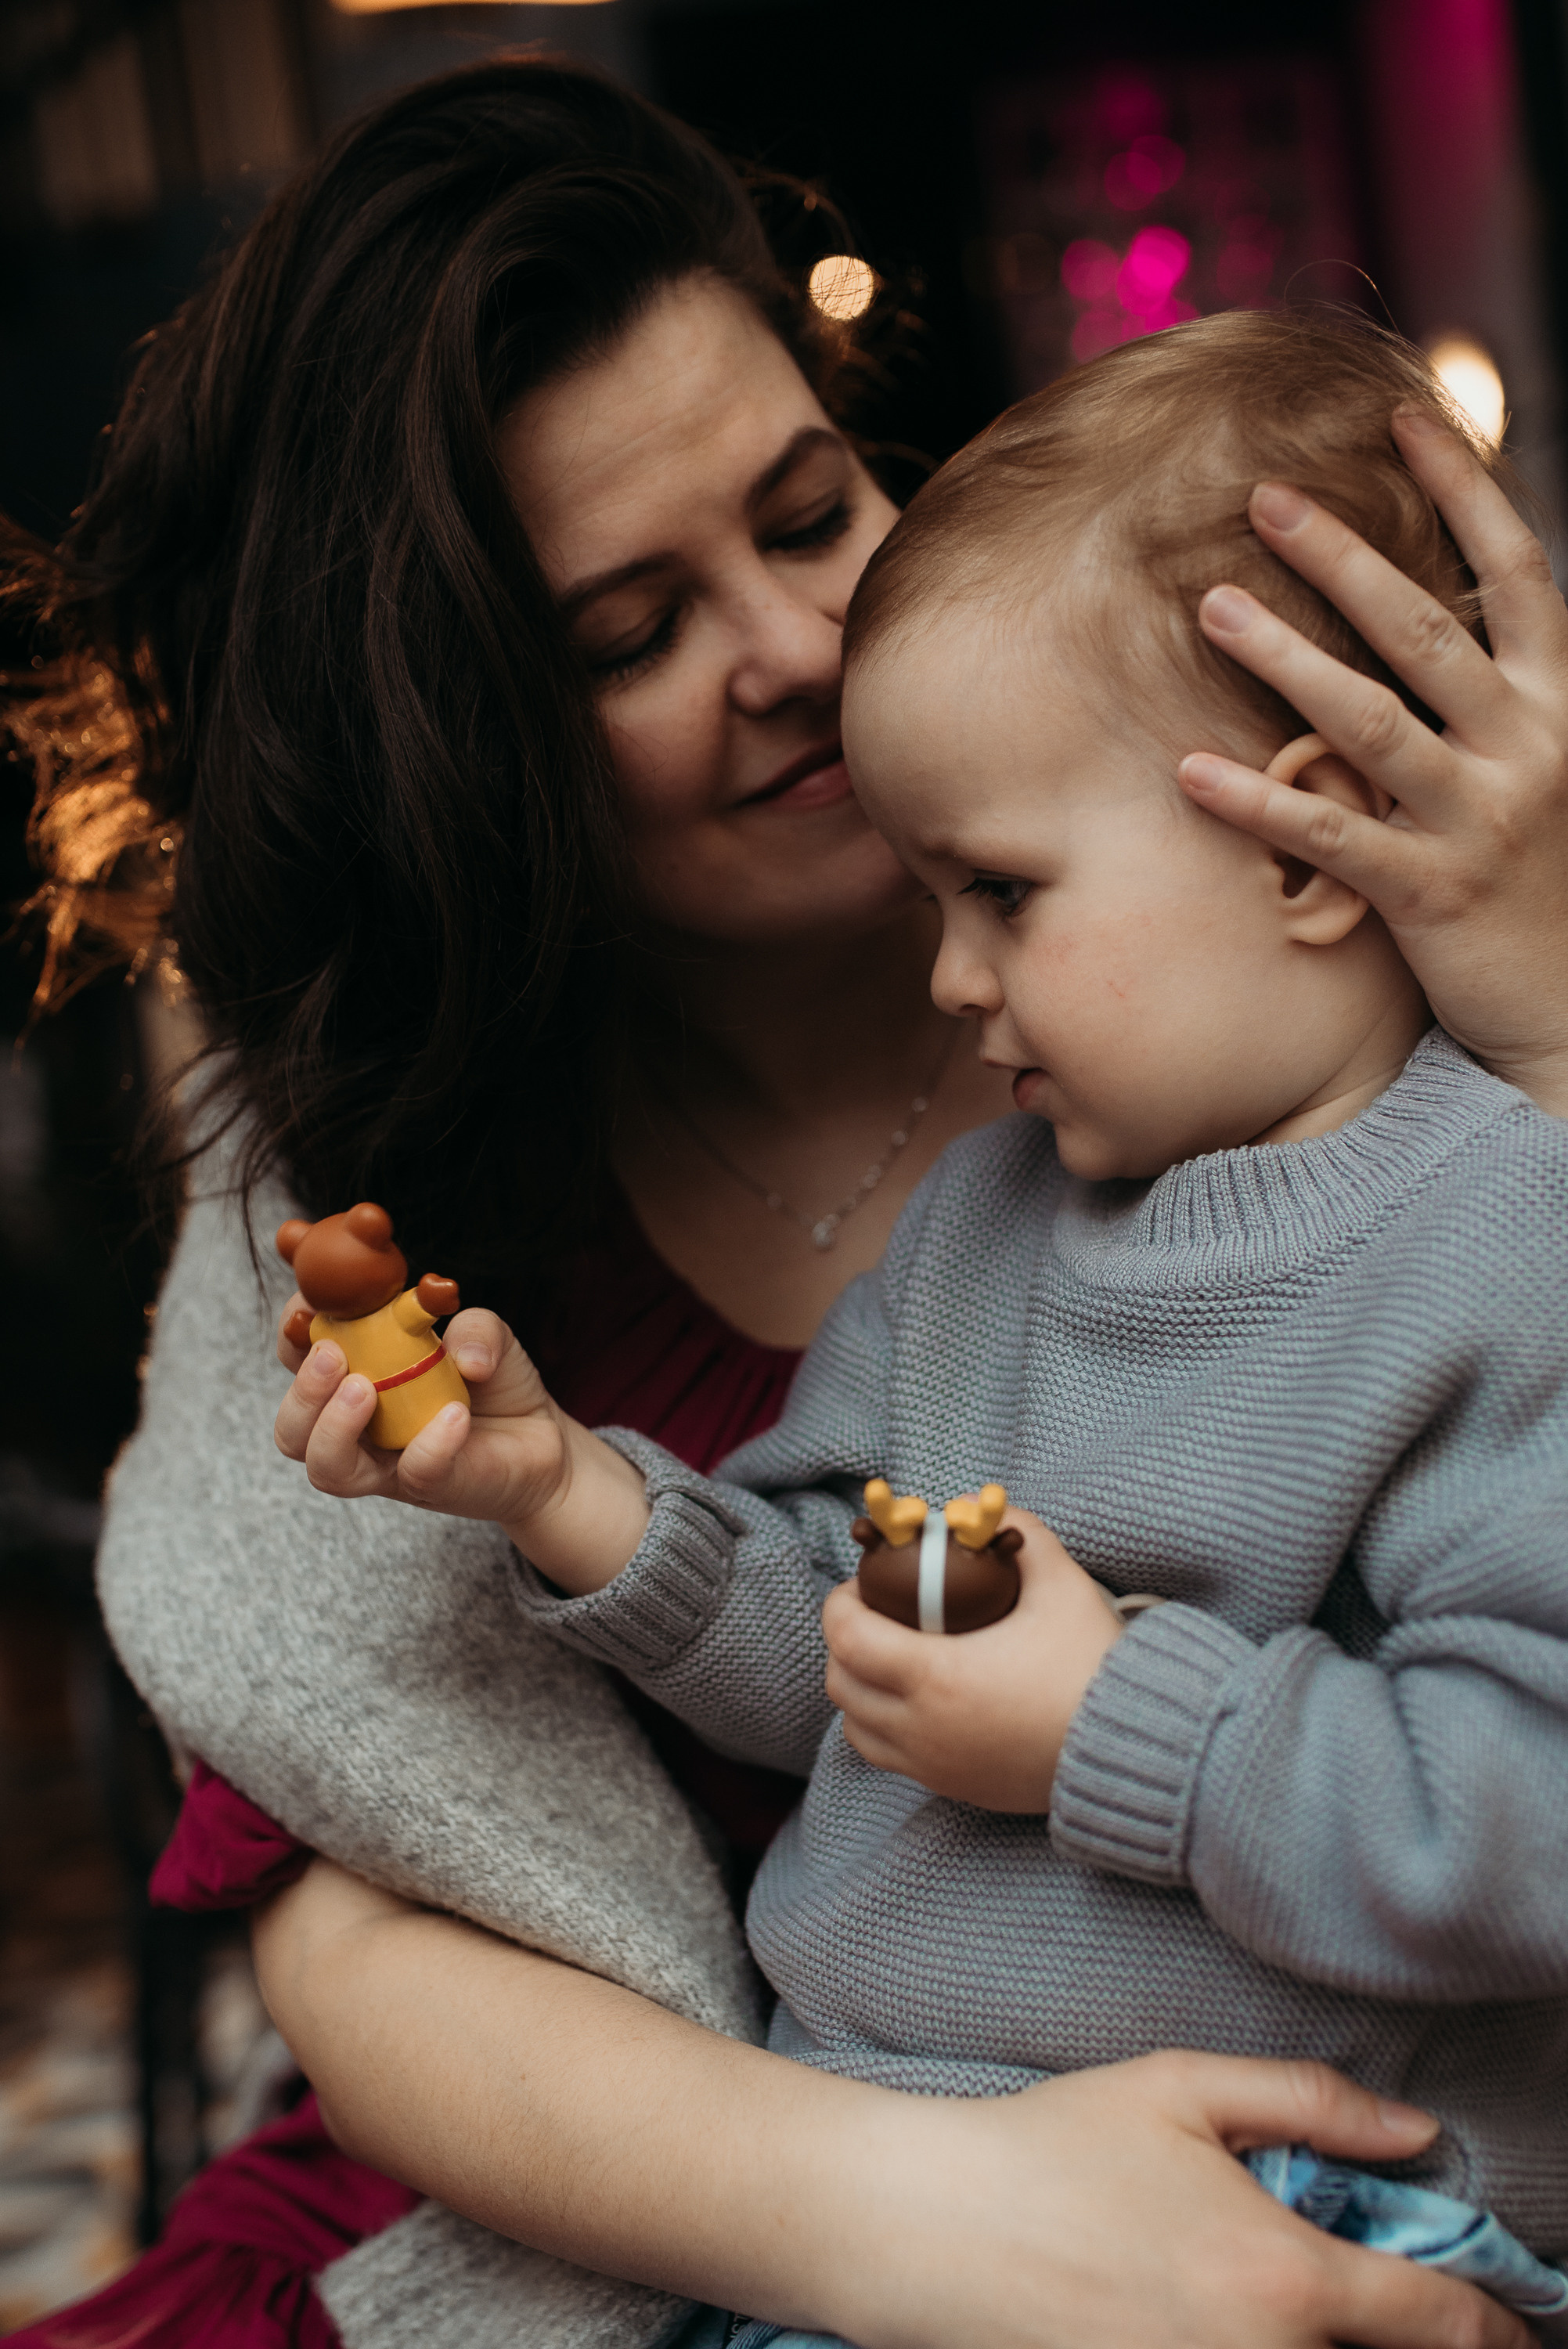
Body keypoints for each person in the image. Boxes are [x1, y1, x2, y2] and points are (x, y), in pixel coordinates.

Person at [6, 51, 1568, 2349]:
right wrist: (558, 1496)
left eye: (812, 511)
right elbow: (367, 1896)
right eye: (625, 638)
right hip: (689, 2207)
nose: (799, 654)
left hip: (1324, 2199)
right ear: (463, 739)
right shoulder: (506, 1169)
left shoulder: (1423, 1070)